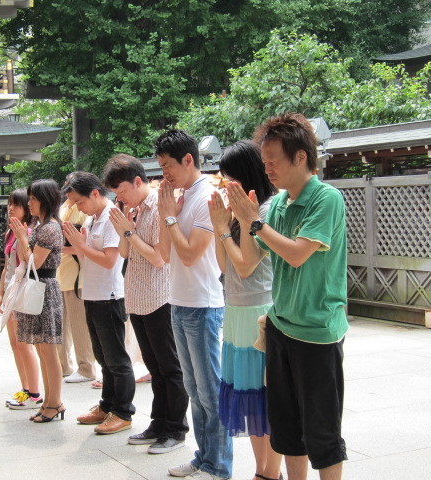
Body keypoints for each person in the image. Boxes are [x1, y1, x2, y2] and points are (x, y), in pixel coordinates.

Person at [227, 113, 348, 480]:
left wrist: (254, 222)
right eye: (263, 161)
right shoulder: (278, 204)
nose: (267, 168)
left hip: (317, 332)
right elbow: (251, 259)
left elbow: (297, 254)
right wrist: (238, 221)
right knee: (287, 428)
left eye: (273, 160)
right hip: (281, 326)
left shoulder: (326, 199)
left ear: (300, 157)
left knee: (322, 431)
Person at [155, 130, 232, 480]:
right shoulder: (181, 197)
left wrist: (171, 216)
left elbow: (189, 255)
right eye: (160, 167)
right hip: (179, 302)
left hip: (203, 305)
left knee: (210, 392)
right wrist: (166, 213)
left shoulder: (208, 196)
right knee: (195, 392)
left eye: (168, 166)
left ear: (188, 160)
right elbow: (165, 253)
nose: (164, 174)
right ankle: (204, 458)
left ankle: (219, 466)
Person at [104, 154, 189, 453]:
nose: (120, 197)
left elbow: (158, 257)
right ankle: (158, 422)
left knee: (170, 368)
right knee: (154, 367)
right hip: (138, 297)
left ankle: (175, 429)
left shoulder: (157, 207)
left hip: (159, 297)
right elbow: (125, 253)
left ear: (137, 181)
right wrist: (124, 230)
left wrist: (128, 231)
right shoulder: (134, 209)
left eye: (122, 190)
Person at [208, 141, 282, 480]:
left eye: (230, 177)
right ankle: (261, 471)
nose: (226, 184)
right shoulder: (241, 212)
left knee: (266, 398)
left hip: (259, 310)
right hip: (237, 310)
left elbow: (246, 266)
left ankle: (269, 473)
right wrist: (220, 225)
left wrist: (226, 226)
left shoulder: (264, 210)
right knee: (249, 399)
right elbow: (223, 266)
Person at [62, 171, 135, 435]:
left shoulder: (111, 218)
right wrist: (77, 246)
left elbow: (109, 260)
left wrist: (80, 245)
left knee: (116, 359)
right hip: (93, 295)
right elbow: (89, 257)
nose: (78, 207)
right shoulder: (94, 219)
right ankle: (107, 405)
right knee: (103, 358)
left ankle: (123, 412)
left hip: (109, 297)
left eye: (79, 201)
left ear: (94, 193)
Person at [9, 179, 65, 423]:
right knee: (42, 349)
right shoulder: (42, 226)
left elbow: (35, 262)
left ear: (45, 200)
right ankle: (50, 402)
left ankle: (55, 402)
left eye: (33, 198)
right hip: (36, 288)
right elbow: (25, 259)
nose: (29, 203)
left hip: (44, 289)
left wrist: (22, 237)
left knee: (48, 351)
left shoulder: (50, 228)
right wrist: (23, 238)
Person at [0, 189, 42, 409]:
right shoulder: (9, 232)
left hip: (22, 293)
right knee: (15, 345)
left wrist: (23, 238)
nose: (11, 208)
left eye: (17, 204)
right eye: (9, 204)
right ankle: (25, 389)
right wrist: (0, 294)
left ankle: (34, 394)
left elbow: (28, 263)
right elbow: (7, 267)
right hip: (11, 293)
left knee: (24, 344)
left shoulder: (28, 232)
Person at [57, 194, 96, 384]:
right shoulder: (64, 207)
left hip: (77, 277)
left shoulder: (83, 211)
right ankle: (63, 366)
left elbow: (84, 245)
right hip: (62, 274)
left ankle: (86, 368)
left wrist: (60, 248)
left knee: (79, 326)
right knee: (61, 326)